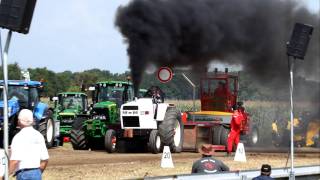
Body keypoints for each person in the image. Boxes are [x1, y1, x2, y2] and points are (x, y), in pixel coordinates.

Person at [9, 109, 49, 180]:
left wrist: (5, 174)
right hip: (36, 172)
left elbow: (15, 161)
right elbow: (45, 159)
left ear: (19, 121)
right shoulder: (39, 135)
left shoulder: (18, 137)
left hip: (23, 174)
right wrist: (38, 172)